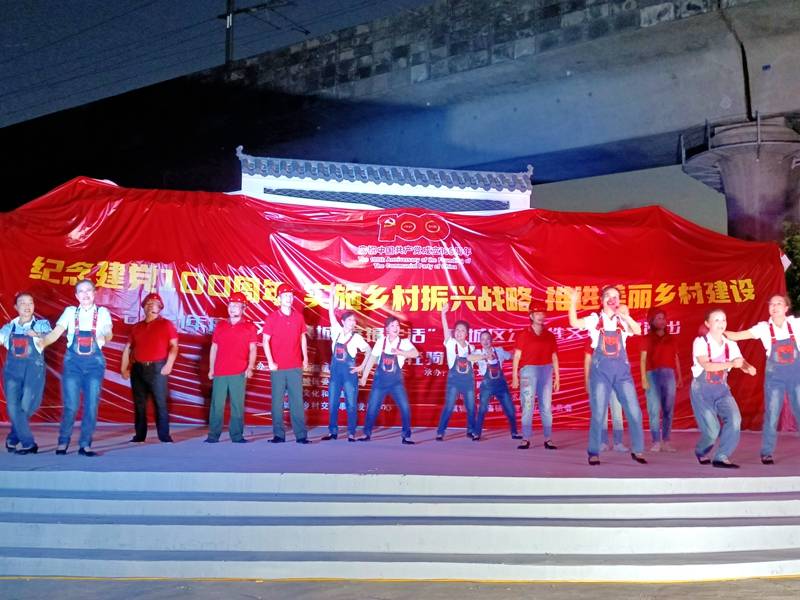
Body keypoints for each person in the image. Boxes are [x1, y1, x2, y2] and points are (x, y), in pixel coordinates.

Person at [568, 285, 647, 465]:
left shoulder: (622, 321)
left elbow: (638, 331)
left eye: (615, 296)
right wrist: (573, 302)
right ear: (602, 300)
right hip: (601, 373)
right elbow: (574, 323)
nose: (612, 299)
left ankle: (638, 450)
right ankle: (594, 451)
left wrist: (626, 316)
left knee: (634, 410)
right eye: (608, 296)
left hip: (622, 373)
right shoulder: (594, 319)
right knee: (598, 412)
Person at [41, 279, 113, 457]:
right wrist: (41, 344)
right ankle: (63, 441)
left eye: (89, 290)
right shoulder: (70, 312)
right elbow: (55, 333)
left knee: (91, 405)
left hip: (95, 364)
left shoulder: (102, 312)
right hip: (73, 363)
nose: (85, 294)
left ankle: (85, 444)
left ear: (94, 293)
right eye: (81, 291)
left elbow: (108, 332)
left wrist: (104, 337)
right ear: (76, 295)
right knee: (71, 405)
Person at [725, 295, 796, 464]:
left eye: (779, 303)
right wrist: (717, 330)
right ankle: (766, 452)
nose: (774, 306)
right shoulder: (763, 328)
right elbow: (737, 336)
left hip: (796, 376)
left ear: (786, 308)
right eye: (771, 304)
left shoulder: (796, 324)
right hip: (775, 378)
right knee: (772, 414)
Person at [690, 308, 756, 468]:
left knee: (735, 419)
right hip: (702, 392)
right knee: (712, 430)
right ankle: (701, 451)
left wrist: (747, 367)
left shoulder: (731, 344)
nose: (721, 323)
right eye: (716, 320)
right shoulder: (701, 342)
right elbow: (707, 365)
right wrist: (732, 363)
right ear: (707, 324)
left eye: (724, 320)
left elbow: (740, 361)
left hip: (722, 389)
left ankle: (721, 456)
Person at [120, 293, 178, 444]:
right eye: (148, 303)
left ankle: (164, 436)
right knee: (139, 404)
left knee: (160, 403)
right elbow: (127, 348)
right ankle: (139, 436)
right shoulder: (136, 327)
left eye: (155, 303)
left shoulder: (166, 324)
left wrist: (169, 364)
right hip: (138, 369)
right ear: (143, 307)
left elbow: (174, 346)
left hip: (158, 368)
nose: (151, 305)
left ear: (160, 307)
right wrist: (124, 368)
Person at [0, 292, 52, 454]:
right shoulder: (8, 328)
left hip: (33, 369)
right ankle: (28, 443)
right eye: (23, 303)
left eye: (30, 302)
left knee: (28, 405)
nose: (27, 306)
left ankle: (13, 437)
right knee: (13, 407)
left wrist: (37, 334)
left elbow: (50, 337)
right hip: (11, 371)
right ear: (16, 307)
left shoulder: (41, 324)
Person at [206, 292, 258, 444]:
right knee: (217, 405)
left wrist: (250, 367)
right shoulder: (220, 325)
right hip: (220, 372)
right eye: (230, 305)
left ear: (243, 308)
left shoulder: (249, 326)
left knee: (237, 405)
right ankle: (213, 435)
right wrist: (211, 369)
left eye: (236, 305)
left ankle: (236, 435)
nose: (232, 308)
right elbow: (214, 348)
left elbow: (253, 349)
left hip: (239, 372)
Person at [359, 315, 419, 444]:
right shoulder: (381, 341)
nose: (396, 328)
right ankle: (366, 434)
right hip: (380, 381)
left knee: (405, 407)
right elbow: (372, 359)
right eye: (392, 325)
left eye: (397, 325)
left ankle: (406, 436)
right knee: (372, 408)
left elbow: (415, 353)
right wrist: (364, 377)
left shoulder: (404, 342)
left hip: (396, 382)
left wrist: (401, 352)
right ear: (386, 328)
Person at [322, 285, 370, 442]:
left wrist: (361, 367)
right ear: (343, 322)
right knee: (333, 403)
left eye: (354, 320)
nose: (352, 322)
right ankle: (333, 432)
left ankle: (351, 433)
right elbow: (330, 312)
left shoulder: (357, 338)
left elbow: (369, 351)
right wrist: (332, 294)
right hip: (335, 374)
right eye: (349, 320)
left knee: (351, 404)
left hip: (350, 375)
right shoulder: (336, 331)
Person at [263, 283, 309, 444]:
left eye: (290, 296)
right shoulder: (272, 318)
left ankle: (301, 435)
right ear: (279, 299)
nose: (289, 298)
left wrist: (305, 357)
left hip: (295, 366)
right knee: (277, 402)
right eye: (285, 296)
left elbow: (303, 337)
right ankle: (278, 435)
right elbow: (265, 340)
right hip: (278, 368)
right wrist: (270, 362)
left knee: (297, 401)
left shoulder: (299, 317)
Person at [512, 305, 559, 450]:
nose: (540, 316)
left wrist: (557, 377)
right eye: (537, 313)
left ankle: (548, 439)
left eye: (542, 313)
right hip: (528, 371)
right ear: (531, 316)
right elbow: (517, 356)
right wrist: (515, 376)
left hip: (546, 370)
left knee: (546, 406)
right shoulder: (523, 334)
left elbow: (554, 356)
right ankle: (525, 438)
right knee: (527, 405)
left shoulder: (550, 335)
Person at [435, 303, 481, 441]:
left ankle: (471, 430)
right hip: (454, 380)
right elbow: (445, 328)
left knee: (471, 407)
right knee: (449, 406)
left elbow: (476, 361)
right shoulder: (450, 343)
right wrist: (443, 314)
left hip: (468, 381)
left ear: (467, 334)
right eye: (457, 330)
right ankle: (440, 431)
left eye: (462, 330)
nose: (459, 332)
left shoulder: (471, 348)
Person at [640, 308, 683, 452]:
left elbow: (676, 358)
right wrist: (643, 378)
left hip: (669, 374)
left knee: (668, 409)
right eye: (658, 318)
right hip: (652, 374)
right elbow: (643, 359)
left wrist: (679, 376)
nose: (662, 321)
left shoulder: (672, 338)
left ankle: (666, 440)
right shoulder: (647, 338)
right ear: (651, 321)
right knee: (653, 409)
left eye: (663, 318)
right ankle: (656, 441)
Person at [473, 330, 522, 441]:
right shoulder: (478, 353)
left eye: (487, 339)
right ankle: (477, 434)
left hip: (501, 386)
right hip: (486, 387)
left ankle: (514, 433)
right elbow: (469, 358)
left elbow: (511, 356)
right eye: (483, 339)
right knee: (482, 410)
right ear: (480, 341)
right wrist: (483, 357)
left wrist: (519, 350)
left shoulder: (499, 351)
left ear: (491, 340)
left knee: (510, 409)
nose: (485, 341)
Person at [583, 338, 627, 452]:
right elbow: (587, 360)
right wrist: (587, 381)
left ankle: (618, 443)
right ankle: (603, 442)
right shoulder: (592, 339)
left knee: (617, 412)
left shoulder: (617, 338)